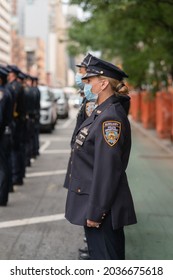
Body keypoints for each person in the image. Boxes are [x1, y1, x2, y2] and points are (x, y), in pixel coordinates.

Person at [65, 56, 137, 260]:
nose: (86, 85)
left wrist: (96, 212)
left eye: (89, 81)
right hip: (95, 203)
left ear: (104, 83)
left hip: (102, 210)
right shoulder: (100, 112)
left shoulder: (110, 118)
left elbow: (107, 171)